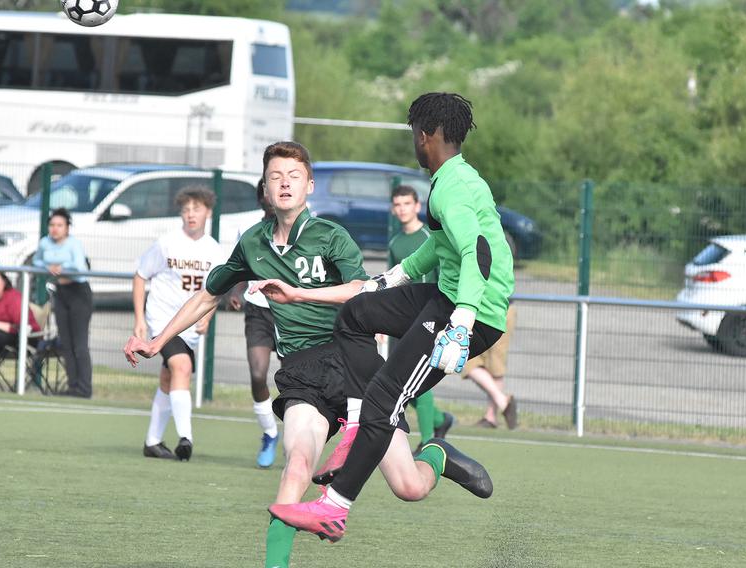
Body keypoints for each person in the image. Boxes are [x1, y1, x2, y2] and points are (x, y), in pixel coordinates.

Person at [123, 141, 492, 566]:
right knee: (296, 466)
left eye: (293, 176)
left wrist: (300, 295)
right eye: (275, 177)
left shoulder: (331, 236)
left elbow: (362, 294)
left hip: (354, 367)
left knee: (409, 487)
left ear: (309, 186)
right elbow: (208, 295)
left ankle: (436, 455)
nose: (284, 183)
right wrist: (155, 341)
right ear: (264, 189)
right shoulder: (253, 244)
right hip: (302, 374)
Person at [267, 92, 515, 542]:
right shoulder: (454, 178)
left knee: (386, 400)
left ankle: (335, 508)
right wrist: (394, 278)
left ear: (427, 136)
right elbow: (440, 247)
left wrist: (461, 323)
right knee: (357, 314)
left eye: (413, 135)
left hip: (471, 312)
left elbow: (474, 253)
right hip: (448, 294)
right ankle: (362, 424)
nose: (413, 144)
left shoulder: (451, 189)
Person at [132, 185, 222, 461]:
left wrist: (206, 316)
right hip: (162, 321)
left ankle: (152, 441)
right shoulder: (166, 243)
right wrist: (139, 320)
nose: (190, 214)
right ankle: (186, 437)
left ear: (208, 211)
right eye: (186, 210)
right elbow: (139, 275)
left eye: (196, 209)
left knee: (169, 378)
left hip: (189, 327)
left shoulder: (214, 251)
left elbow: (216, 291)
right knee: (182, 366)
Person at [387, 184, 454, 450]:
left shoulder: (430, 236)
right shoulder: (395, 243)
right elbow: (395, 280)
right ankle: (439, 419)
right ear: (393, 209)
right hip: (401, 319)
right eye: (398, 204)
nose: (402, 209)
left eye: (407, 204)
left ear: (417, 206)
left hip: (429, 317)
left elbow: (444, 275)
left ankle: (428, 443)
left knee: (419, 379)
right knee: (400, 377)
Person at [228, 178, 280, 468]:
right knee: (258, 375)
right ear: (260, 197)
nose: (272, 195)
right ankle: (270, 433)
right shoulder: (249, 231)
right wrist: (235, 292)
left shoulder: (306, 229)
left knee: (294, 382)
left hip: (292, 313)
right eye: (266, 190)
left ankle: (298, 439)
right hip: (258, 310)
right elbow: (239, 269)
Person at [33, 207, 93, 398]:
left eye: (59, 225)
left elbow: (80, 266)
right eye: (52, 225)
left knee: (79, 344)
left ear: (67, 227)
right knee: (66, 343)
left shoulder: (73, 244)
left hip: (78, 293)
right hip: (61, 292)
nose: (55, 229)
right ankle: (73, 386)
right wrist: (47, 267)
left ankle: (84, 388)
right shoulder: (45, 243)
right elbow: (37, 261)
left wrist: (62, 267)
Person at [463, 303, 518, 429]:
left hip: (500, 309)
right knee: (468, 362)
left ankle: (491, 416)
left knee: (496, 367)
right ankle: (503, 402)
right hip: (479, 310)